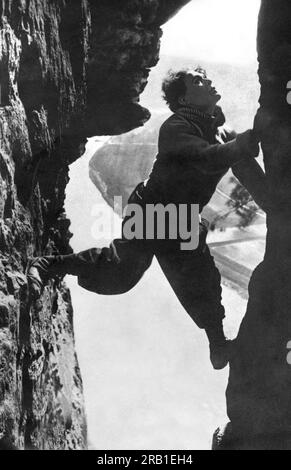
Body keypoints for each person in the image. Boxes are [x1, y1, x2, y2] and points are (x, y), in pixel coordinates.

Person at [27, 67, 269, 370]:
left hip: (182, 221)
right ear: (183, 99)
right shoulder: (177, 126)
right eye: (197, 81)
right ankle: (49, 264)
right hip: (152, 211)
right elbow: (207, 158)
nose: (207, 81)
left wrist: (277, 206)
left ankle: (218, 346)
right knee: (121, 272)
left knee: (201, 280)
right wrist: (243, 145)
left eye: (204, 78)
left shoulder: (224, 134)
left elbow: (252, 178)